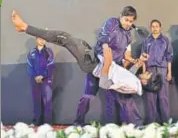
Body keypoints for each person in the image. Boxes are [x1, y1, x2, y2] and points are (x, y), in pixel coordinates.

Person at [11, 7, 145, 126]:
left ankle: (135, 125)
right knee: (86, 96)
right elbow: (104, 38)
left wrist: (132, 61)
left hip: (106, 69)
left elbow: (126, 56)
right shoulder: (112, 23)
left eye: (131, 21)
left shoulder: (128, 37)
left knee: (125, 98)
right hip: (94, 60)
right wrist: (107, 51)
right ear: (120, 16)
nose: (128, 24)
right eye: (126, 20)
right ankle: (78, 122)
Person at [142, 19, 173, 124]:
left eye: (156, 26)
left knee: (163, 98)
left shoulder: (165, 40)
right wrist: (144, 75)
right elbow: (143, 58)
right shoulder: (147, 41)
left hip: (162, 70)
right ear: (150, 28)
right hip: (150, 71)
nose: (154, 28)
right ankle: (152, 123)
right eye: (153, 26)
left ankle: (166, 123)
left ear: (160, 27)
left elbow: (169, 57)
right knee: (150, 99)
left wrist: (169, 72)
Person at [27, 37, 55, 125]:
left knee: (47, 101)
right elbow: (29, 65)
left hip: (47, 80)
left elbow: (51, 64)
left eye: (43, 39)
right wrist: (35, 76)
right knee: (36, 101)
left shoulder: (49, 51)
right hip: (35, 80)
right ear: (36, 40)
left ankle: (47, 123)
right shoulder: (31, 53)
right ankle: (36, 122)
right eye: (39, 39)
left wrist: (43, 75)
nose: (42, 40)